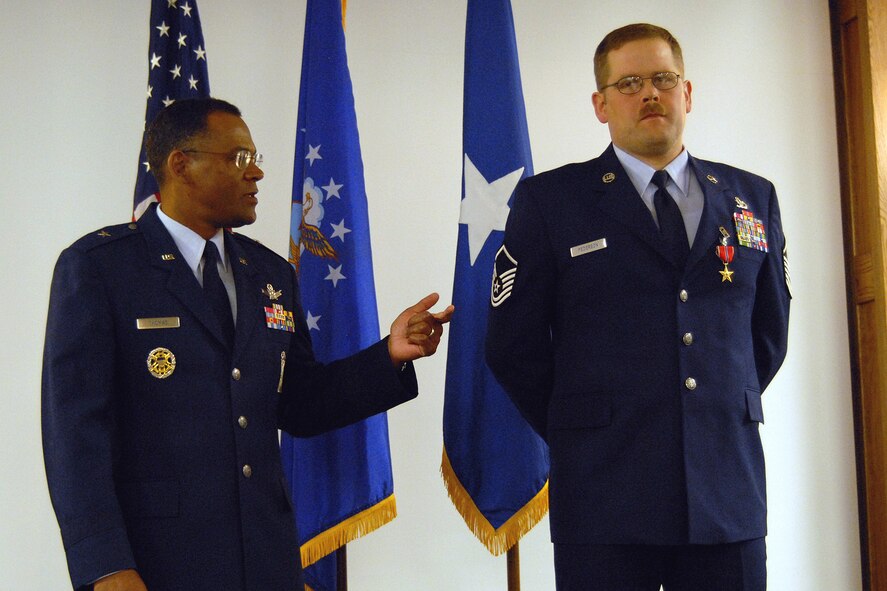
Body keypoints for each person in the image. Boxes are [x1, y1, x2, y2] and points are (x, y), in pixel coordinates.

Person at [42, 97, 454, 591]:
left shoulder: (270, 273)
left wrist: (387, 354)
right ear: (181, 165)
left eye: (257, 159)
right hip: (157, 565)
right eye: (240, 158)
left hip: (265, 559)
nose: (256, 173)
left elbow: (300, 404)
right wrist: (106, 567)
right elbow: (75, 438)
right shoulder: (101, 268)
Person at [485, 23, 790, 591]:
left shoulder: (753, 197)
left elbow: (767, 337)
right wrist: (583, 425)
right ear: (601, 105)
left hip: (727, 497)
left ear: (687, 93)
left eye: (663, 79)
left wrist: (700, 418)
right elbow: (513, 347)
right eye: (628, 83)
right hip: (605, 500)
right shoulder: (551, 203)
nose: (649, 93)